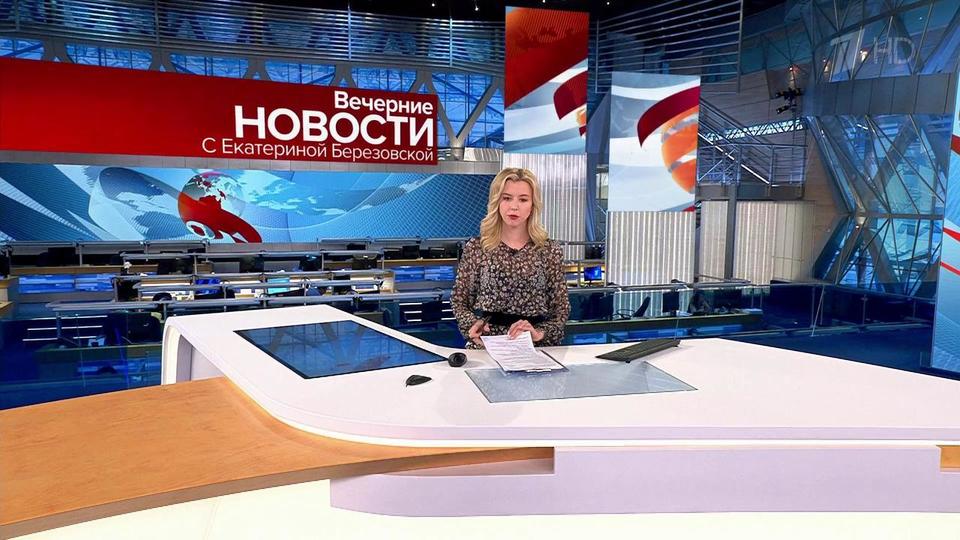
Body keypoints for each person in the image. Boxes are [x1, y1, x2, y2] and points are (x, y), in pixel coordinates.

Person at [452, 167, 570, 349]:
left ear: (533, 205)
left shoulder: (548, 250)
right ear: (496, 202)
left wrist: (539, 333)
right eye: (506, 198)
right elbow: (459, 301)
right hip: (487, 344)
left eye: (523, 199)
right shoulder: (477, 247)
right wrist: (472, 325)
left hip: (533, 346)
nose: (514, 206)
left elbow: (560, 309)